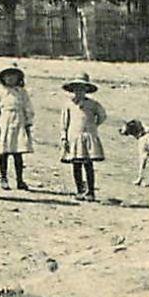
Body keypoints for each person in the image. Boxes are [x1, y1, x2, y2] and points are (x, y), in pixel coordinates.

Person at [60, 72, 106, 202]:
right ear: (72, 90)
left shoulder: (93, 104)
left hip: (88, 136)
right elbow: (64, 122)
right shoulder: (68, 104)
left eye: (82, 88)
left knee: (88, 164)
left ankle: (90, 191)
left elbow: (102, 115)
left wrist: (93, 126)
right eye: (76, 88)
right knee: (76, 164)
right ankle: (80, 189)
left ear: (87, 90)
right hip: (74, 137)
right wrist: (64, 137)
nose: (79, 91)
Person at [0, 64, 34, 190]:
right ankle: (3, 178)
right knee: (3, 153)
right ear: (3, 78)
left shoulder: (22, 93)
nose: (10, 78)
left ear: (18, 78)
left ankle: (20, 179)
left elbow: (28, 108)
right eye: (7, 75)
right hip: (4, 123)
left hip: (19, 123)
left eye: (13, 75)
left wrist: (28, 122)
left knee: (18, 153)